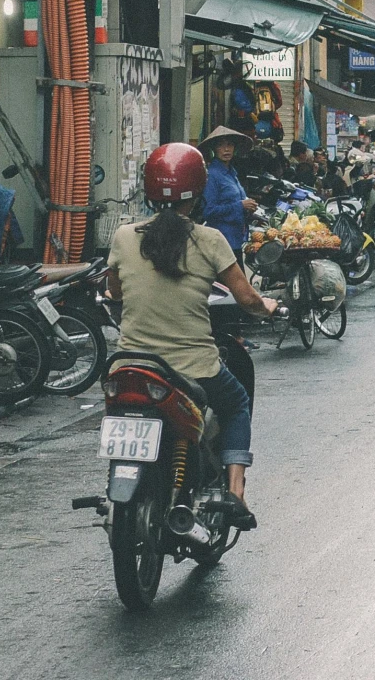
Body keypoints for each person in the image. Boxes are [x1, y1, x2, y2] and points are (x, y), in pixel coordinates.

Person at [107, 143, 279, 527]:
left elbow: (114, 292)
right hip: (193, 368)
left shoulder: (123, 237)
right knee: (235, 405)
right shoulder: (210, 240)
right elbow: (247, 297)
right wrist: (266, 306)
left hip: (130, 365)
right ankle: (236, 493)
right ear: (198, 190)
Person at [199, 126, 261, 257]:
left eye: (229, 145)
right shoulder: (213, 175)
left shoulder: (231, 173)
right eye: (221, 145)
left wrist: (249, 208)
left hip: (236, 239)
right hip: (222, 241)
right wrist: (240, 205)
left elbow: (237, 202)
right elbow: (208, 211)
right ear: (214, 149)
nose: (226, 149)